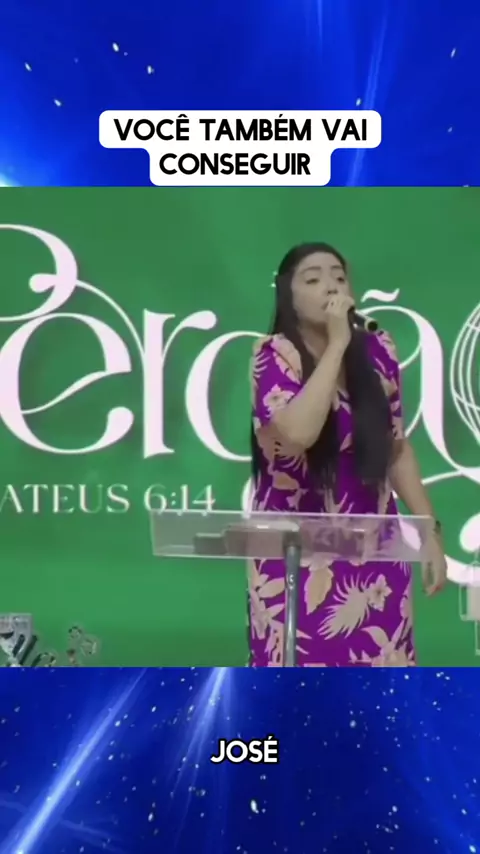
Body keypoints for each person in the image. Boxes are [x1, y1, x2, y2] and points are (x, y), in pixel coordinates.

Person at [248, 243, 447, 667]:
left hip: (376, 557)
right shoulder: (273, 355)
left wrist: (429, 531)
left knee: (381, 686)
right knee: (301, 684)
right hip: (295, 559)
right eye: (313, 278)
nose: (331, 287)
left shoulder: (380, 349)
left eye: (339, 277)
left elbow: (396, 448)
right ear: (287, 295)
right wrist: (337, 344)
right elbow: (299, 434)